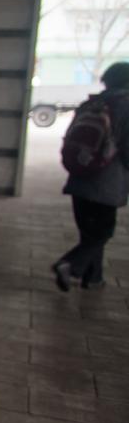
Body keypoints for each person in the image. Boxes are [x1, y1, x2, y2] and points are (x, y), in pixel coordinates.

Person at [53, 61, 129, 291]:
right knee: (103, 232)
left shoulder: (92, 103)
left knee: (90, 232)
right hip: (108, 180)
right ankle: (70, 264)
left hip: (80, 176)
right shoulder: (125, 106)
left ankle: (93, 277)